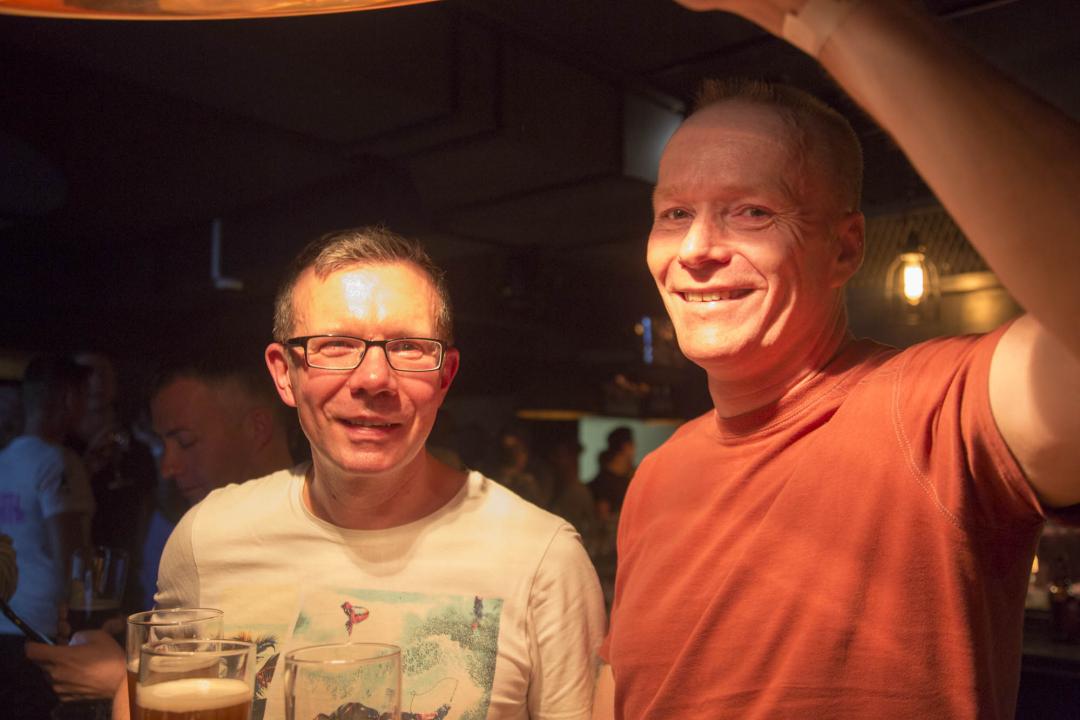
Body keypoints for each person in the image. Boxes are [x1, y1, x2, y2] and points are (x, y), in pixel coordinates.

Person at [594, 1, 1080, 718]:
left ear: (845, 249)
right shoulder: (656, 477)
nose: (695, 249)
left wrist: (835, 16)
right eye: (675, 214)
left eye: (751, 212)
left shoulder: (935, 412)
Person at [154, 227, 604, 720]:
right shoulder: (207, 540)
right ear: (284, 373)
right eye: (335, 345)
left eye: (409, 347)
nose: (374, 379)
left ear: (444, 377)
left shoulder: (543, 561)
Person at [25, 354, 297, 715]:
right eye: (162, 445)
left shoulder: (312, 537)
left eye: (185, 442)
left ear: (257, 429)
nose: (168, 466)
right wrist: (131, 643)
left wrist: (125, 679)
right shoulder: (194, 537)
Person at [0, 355, 95, 720]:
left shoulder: (5, 459)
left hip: (5, 618)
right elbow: (72, 557)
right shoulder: (58, 462)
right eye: (84, 397)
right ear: (69, 398)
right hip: (42, 630)